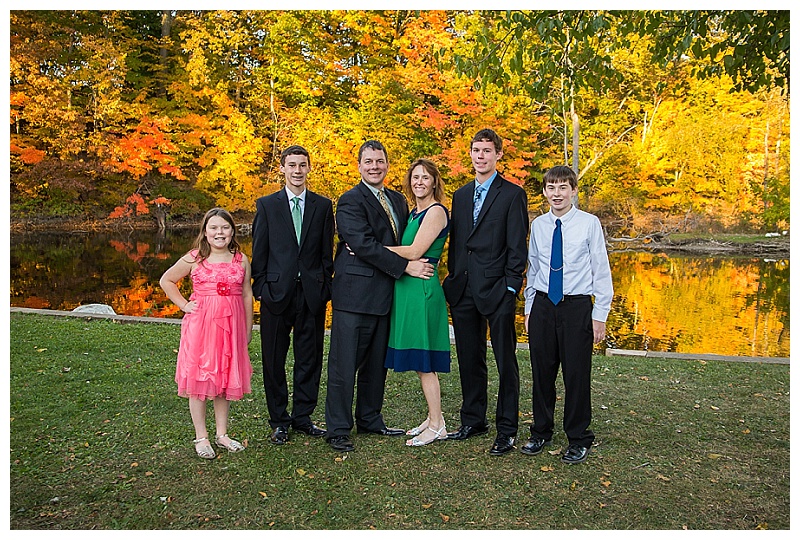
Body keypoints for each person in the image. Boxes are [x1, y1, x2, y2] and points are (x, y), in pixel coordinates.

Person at [324, 140, 435, 452]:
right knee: (344, 365)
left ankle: (370, 418)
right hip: (355, 296)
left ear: (387, 164)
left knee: (376, 364)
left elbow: (394, 243)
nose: (375, 167)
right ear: (359, 166)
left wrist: (383, 256)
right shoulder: (350, 201)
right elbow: (361, 243)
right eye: (369, 161)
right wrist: (406, 266)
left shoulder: (398, 200)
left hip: (387, 294)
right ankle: (338, 429)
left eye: (380, 161)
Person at [442, 128, 528, 456]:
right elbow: (459, 242)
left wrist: (511, 286)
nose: (481, 156)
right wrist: (453, 277)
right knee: (469, 357)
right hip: (464, 289)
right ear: (471, 153)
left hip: (497, 289)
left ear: (498, 155)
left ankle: (506, 429)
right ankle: (473, 419)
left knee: (505, 360)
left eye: (487, 151)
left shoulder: (512, 194)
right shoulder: (461, 195)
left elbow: (517, 245)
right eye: (476, 150)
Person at [522, 165, 613, 464]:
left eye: (563, 187)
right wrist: (529, 308)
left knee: (576, 374)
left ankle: (578, 437)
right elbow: (534, 267)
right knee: (542, 373)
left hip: (576, 307)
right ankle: (541, 431)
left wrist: (599, 314)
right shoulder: (539, 225)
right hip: (543, 305)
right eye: (551, 188)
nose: (557, 193)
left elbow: (601, 269)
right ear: (545, 192)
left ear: (573, 191)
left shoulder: (589, 223)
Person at [251, 145, 334, 445]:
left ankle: (303, 417)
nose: (297, 171)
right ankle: (279, 421)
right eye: (292, 165)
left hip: (311, 294)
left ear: (309, 168)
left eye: (302, 165)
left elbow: (326, 252)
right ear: (282, 168)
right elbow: (259, 251)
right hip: (276, 294)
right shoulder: (267, 206)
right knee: (274, 360)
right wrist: (261, 288)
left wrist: (325, 287)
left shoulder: (322, 206)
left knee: (309, 358)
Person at [160, 208, 254, 459]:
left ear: (232, 231)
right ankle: (201, 437)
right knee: (200, 379)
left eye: (224, 227)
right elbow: (166, 280)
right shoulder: (195, 258)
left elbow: (247, 294)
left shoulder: (241, 259)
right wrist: (183, 305)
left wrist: (247, 329)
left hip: (231, 327)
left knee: (224, 379)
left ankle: (222, 434)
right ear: (205, 231)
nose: (219, 232)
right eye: (213, 228)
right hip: (202, 327)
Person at [384, 158, 451, 447]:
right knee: (420, 361)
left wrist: (372, 249)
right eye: (415, 177)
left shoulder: (435, 212)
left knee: (425, 362)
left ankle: (437, 426)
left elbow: (414, 251)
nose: (419, 182)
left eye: (425, 177)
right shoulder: (414, 212)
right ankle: (433, 417)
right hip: (407, 288)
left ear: (435, 182)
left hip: (422, 289)